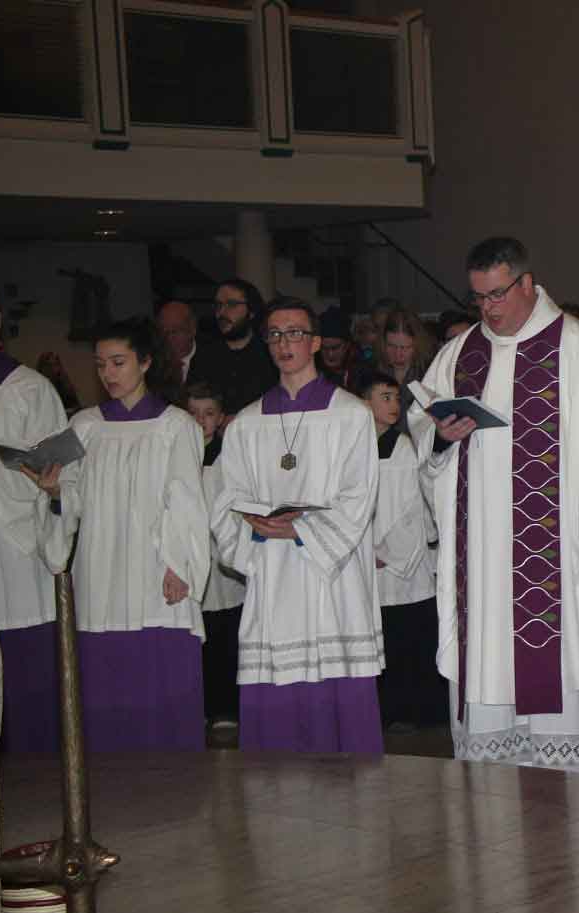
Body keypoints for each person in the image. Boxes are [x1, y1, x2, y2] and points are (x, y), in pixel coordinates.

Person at [409, 236, 579, 777]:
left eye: (497, 295)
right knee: (490, 656)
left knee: (567, 658)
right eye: (479, 298)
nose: (488, 308)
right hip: (485, 557)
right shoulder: (462, 351)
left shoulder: (576, 346)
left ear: (527, 284)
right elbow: (423, 428)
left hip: (561, 550)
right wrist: (442, 437)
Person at [210, 298, 384, 753]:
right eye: (276, 334)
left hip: (334, 579)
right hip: (273, 572)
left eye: (296, 333)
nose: (285, 343)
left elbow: (359, 495)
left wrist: (300, 530)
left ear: (316, 342)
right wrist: (255, 528)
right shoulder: (246, 424)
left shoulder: (350, 414)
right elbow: (226, 498)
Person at [29, 317, 210, 752]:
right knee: (105, 691)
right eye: (100, 365)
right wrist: (54, 493)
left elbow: (185, 501)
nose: (108, 374)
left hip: (154, 574)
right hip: (101, 574)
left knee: (159, 683)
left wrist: (178, 565)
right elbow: (72, 500)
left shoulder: (175, 426)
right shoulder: (85, 427)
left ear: (145, 362)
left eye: (118, 362)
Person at [0, 275, 69, 752]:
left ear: (0, 319)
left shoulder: (31, 389)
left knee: (23, 670)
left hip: (15, 549)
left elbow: (59, 469)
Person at [358, 370, 444, 732]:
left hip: (404, 564)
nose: (393, 405)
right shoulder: (355, 447)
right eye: (384, 397)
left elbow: (412, 509)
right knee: (384, 643)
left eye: (396, 398)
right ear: (364, 403)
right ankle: (387, 710)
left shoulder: (404, 447)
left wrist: (388, 551)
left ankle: (422, 712)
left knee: (413, 639)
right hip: (367, 560)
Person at [184, 381, 245, 729]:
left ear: (221, 418)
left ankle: (226, 707)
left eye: (208, 414)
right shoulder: (177, 455)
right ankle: (200, 706)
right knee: (197, 642)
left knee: (225, 638)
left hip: (224, 564)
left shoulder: (229, 458)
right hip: (191, 563)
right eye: (192, 414)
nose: (200, 421)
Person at [188, 278, 278, 415]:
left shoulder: (271, 353)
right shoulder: (204, 355)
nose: (222, 313)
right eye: (218, 305)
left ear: (252, 311)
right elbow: (192, 402)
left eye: (231, 305)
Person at [316, 308, 358, 389]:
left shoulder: (361, 374)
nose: (330, 354)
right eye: (324, 348)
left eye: (335, 348)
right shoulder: (312, 374)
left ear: (347, 345)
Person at [34, 351, 82, 416]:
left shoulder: (64, 381)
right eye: (51, 365)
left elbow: (74, 403)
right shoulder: (40, 384)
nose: (55, 368)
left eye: (56, 364)